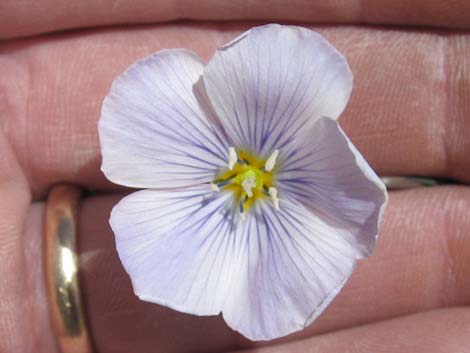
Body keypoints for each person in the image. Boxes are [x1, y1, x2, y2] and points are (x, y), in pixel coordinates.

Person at [1, 1, 469, 352]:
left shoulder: (311, 175)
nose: (250, 179)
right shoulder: (240, 169)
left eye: (253, 177)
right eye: (249, 175)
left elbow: (356, 205)